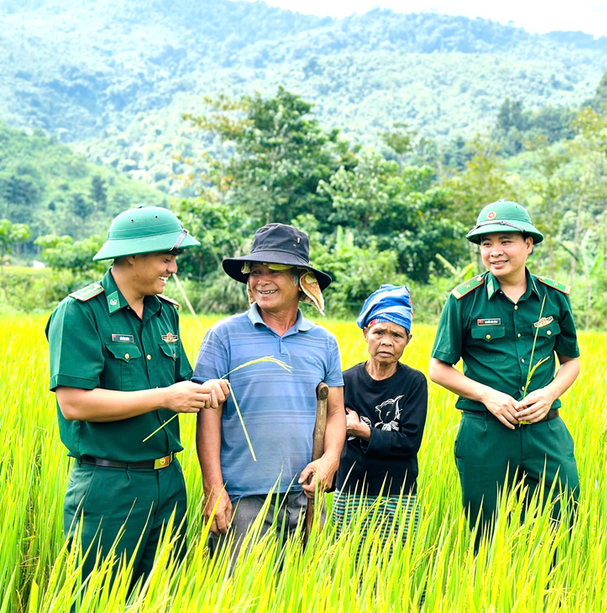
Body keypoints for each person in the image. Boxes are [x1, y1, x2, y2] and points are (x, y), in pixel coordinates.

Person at [46, 205, 229, 586]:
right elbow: (74, 403)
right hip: (109, 484)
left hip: (168, 482)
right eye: (166, 258)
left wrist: (205, 390)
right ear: (132, 255)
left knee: (164, 595)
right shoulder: (81, 313)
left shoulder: (165, 314)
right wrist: (164, 398)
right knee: (98, 595)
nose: (173, 269)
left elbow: (181, 384)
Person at [193, 223, 345, 564]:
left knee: (303, 593)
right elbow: (208, 416)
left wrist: (330, 459)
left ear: (302, 280)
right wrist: (213, 488)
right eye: (255, 271)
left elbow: (336, 412)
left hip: (306, 497)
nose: (261, 280)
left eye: (273, 271)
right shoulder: (223, 336)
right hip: (243, 500)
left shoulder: (323, 342)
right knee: (238, 596)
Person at [429, 200, 581, 539]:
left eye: (505, 241)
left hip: (545, 429)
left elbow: (571, 362)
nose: (495, 251)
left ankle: (553, 591)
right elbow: (439, 368)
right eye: (486, 243)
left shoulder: (553, 298)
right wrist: (488, 396)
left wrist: (550, 393)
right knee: (484, 532)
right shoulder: (464, 301)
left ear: (528, 244)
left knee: (563, 517)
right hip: (485, 432)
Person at [333, 285, 428, 546]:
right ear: (365, 333)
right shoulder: (345, 380)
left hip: (398, 494)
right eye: (379, 332)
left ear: (408, 339)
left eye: (397, 335)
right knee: (348, 562)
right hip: (350, 489)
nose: (387, 341)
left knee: (394, 566)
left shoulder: (413, 382)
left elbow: (409, 442)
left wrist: (361, 430)